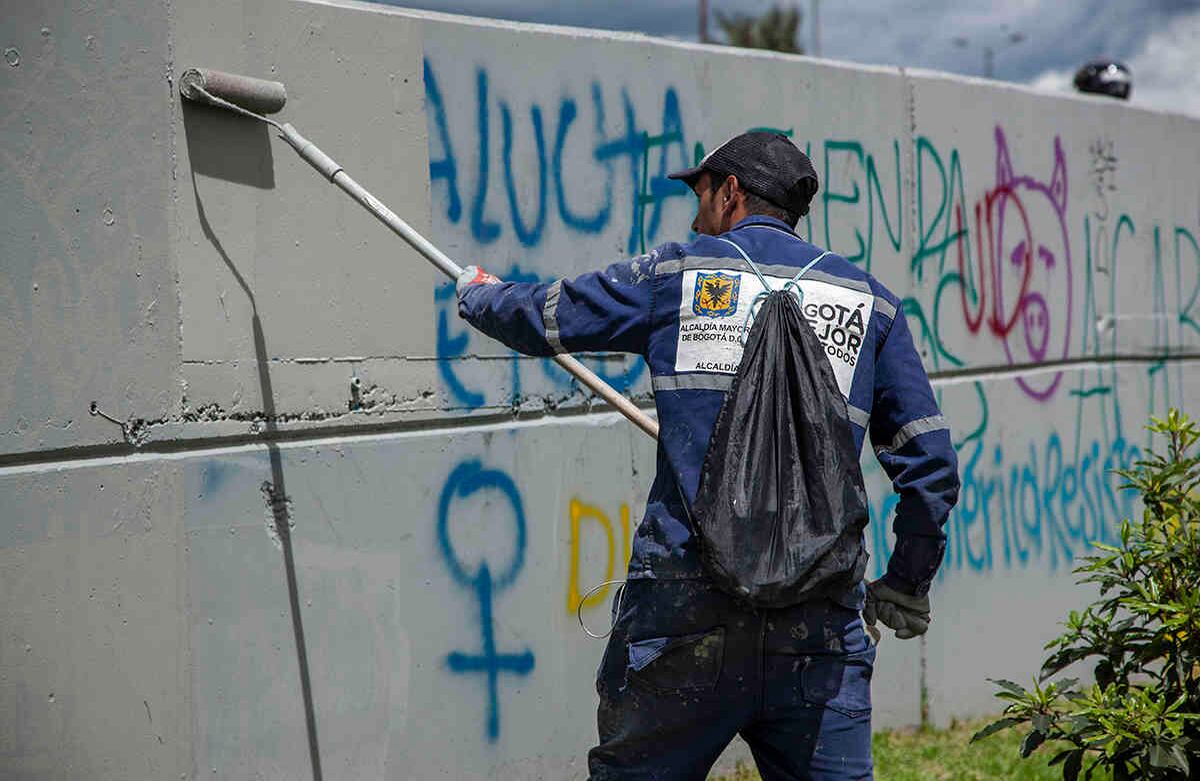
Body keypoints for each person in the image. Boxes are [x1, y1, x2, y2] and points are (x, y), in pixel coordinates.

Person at [456, 131, 960, 781]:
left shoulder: (677, 274)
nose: (695, 219)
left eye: (700, 197)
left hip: (681, 615)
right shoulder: (871, 303)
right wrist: (907, 581)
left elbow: (547, 316)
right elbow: (931, 463)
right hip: (818, 631)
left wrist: (479, 293)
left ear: (730, 193)